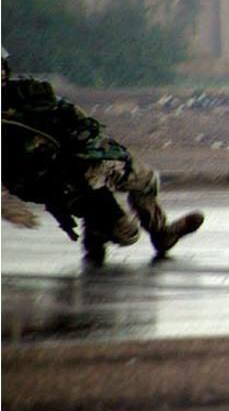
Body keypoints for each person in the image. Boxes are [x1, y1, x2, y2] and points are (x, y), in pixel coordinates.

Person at [1, 49, 204, 265]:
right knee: (128, 233)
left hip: (87, 158)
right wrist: (5, 205)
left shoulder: (27, 91)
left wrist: (89, 137)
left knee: (146, 179)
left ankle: (161, 234)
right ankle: (96, 236)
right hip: (61, 183)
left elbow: (70, 113)